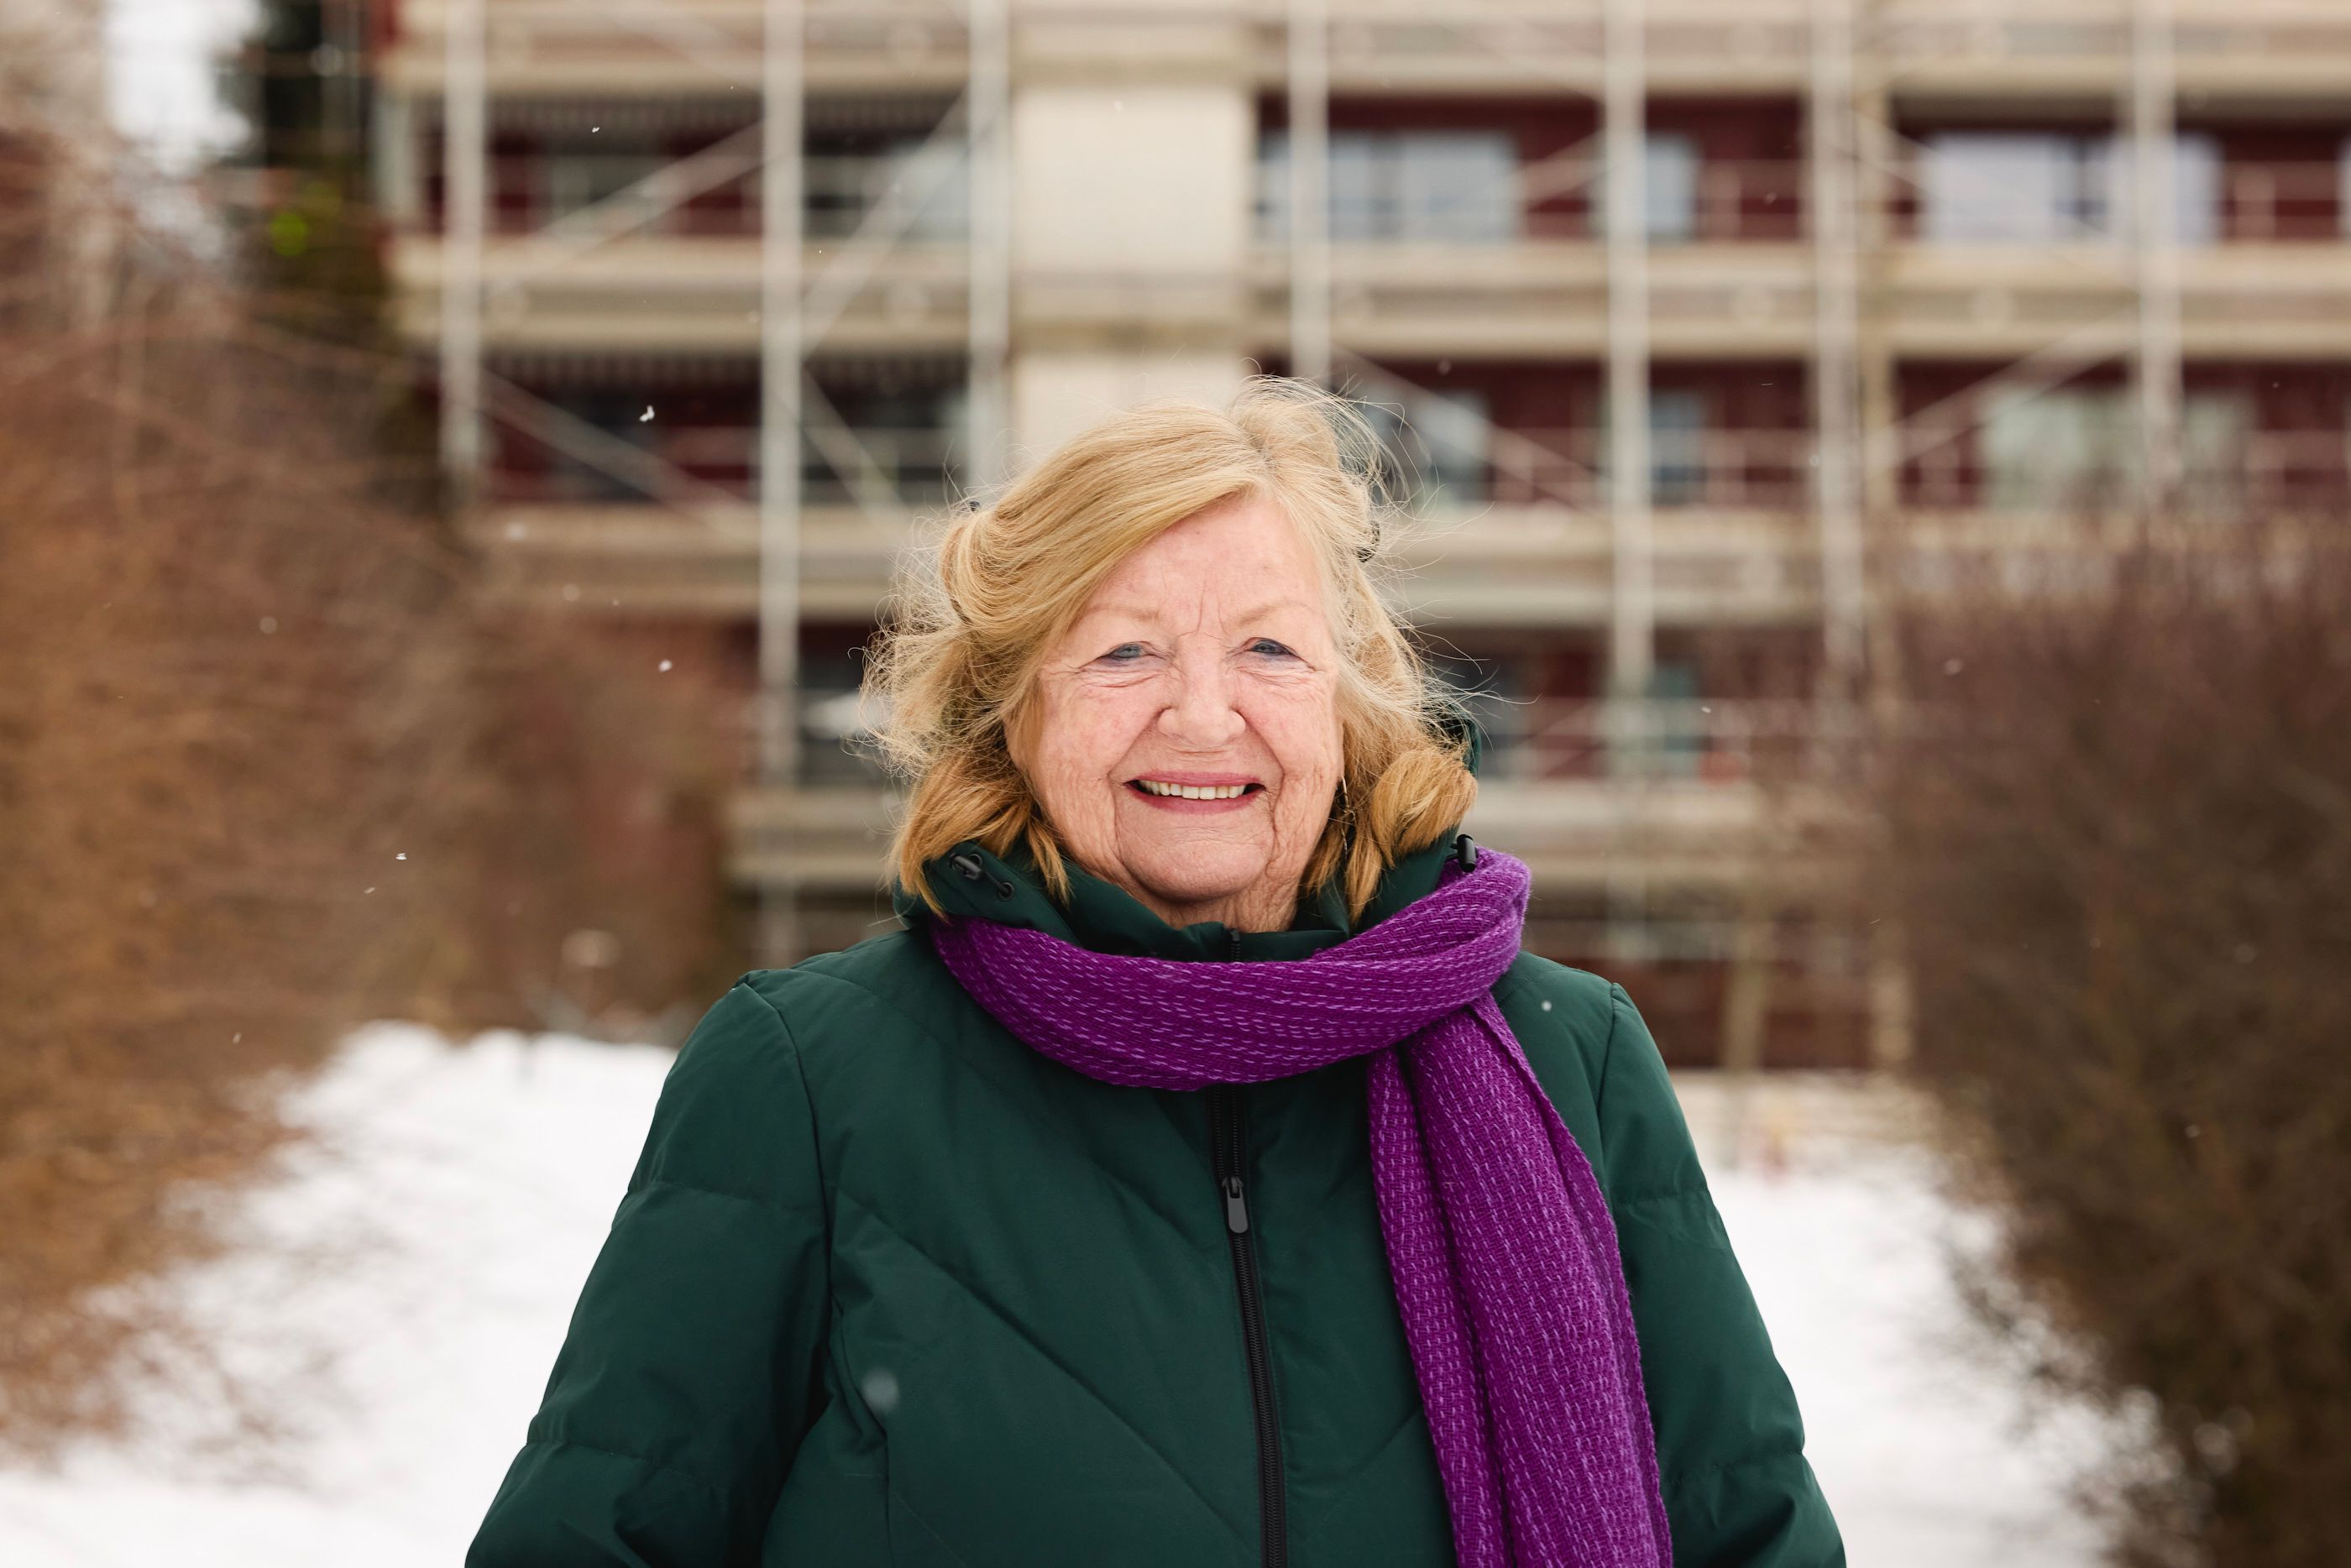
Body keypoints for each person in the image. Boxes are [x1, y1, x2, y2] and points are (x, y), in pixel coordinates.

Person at [468, 379, 1845, 1567]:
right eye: (1126, 650)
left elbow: (1746, 1531)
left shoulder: (1567, 1059)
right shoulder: (813, 1081)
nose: (1203, 713)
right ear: (1016, 705)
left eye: (1268, 648)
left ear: (1350, 696)